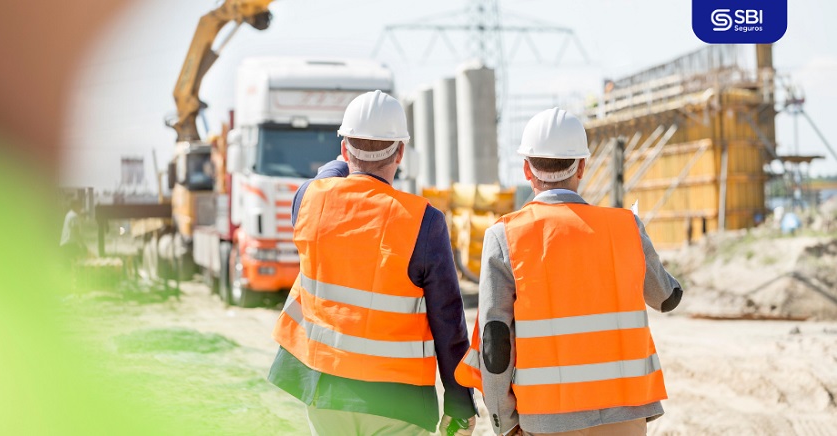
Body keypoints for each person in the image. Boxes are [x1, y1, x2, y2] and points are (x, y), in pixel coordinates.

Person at [455, 108, 683, 436]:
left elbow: (495, 340)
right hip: (625, 415)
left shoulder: (506, 236)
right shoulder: (626, 228)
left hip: (547, 420)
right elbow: (667, 298)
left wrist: (503, 421)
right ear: (582, 166)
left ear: (526, 170)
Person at [268, 90, 477, 435]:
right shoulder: (424, 222)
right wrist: (458, 400)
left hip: (325, 391)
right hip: (398, 402)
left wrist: (344, 160)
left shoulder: (309, 200)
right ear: (401, 151)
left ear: (344, 148)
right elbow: (448, 320)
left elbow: (327, 175)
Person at [60, 199, 87, 263]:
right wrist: (82, 244)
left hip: (66, 243)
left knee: (68, 265)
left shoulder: (69, 214)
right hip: (70, 244)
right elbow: (76, 232)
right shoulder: (74, 216)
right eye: (80, 206)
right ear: (75, 206)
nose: (81, 208)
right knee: (76, 262)